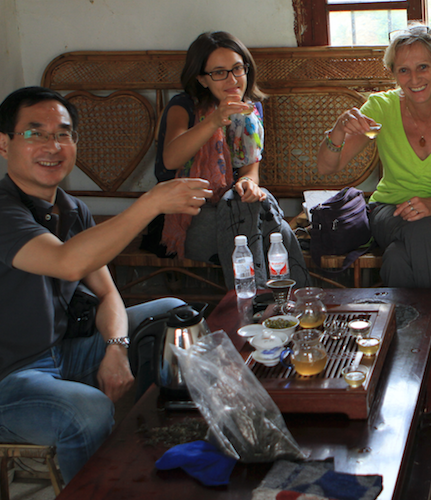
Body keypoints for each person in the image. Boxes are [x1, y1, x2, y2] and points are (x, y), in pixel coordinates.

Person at [0, 86, 213, 483]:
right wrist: (149, 203)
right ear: (4, 143)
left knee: (173, 314)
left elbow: (107, 292)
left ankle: (156, 443)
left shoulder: (70, 209)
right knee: (89, 409)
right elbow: (68, 263)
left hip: (64, 354)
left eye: (63, 134)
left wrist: (116, 348)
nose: (52, 145)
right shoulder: (3, 209)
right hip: (12, 379)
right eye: (35, 133)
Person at [317, 25, 431, 398]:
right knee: (415, 229)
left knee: (401, 255)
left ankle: (411, 348)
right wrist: (337, 130)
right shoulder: (379, 109)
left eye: (423, 67)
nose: (414, 78)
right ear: (393, 74)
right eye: (403, 70)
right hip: (390, 211)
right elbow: (327, 168)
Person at [152, 31, 310, 289]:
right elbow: (171, 159)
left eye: (238, 69)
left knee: (245, 201)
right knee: (275, 230)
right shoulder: (184, 106)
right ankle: (297, 300)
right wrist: (215, 120)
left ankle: (254, 301)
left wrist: (248, 185)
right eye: (219, 72)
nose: (232, 79)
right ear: (202, 79)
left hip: (240, 217)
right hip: (189, 216)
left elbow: (250, 171)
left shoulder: (250, 111)